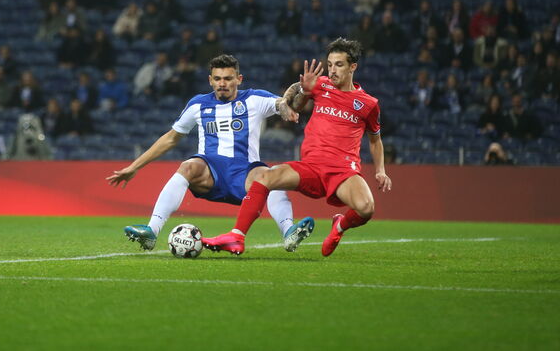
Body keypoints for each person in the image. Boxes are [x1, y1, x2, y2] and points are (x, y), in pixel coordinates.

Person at [106, 54, 315, 253]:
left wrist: (301, 93)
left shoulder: (254, 99)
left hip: (245, 176)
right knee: (187, 166)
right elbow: (170, 138)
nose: (222, 83)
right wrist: (134, 167)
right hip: (210, 173)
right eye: (217, 78)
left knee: (272, 175)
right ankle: (152, 231)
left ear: (238, 79)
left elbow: (287, 104)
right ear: (210, 80)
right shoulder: (198, 104)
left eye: (227, 78)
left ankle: (289, 231)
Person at [203, 39, 392, 257]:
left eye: (338, 65)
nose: (332, 70)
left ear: (353, 67)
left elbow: (375, 140)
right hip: (310, 167)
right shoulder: (320, 85)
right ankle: (236, 236)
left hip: (342, 172)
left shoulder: (368, 104)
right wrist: (304, 89)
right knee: (265, 177)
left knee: (366, 208)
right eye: (330, 64)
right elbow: (296, 107)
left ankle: (339, 226)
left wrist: (380, 170)